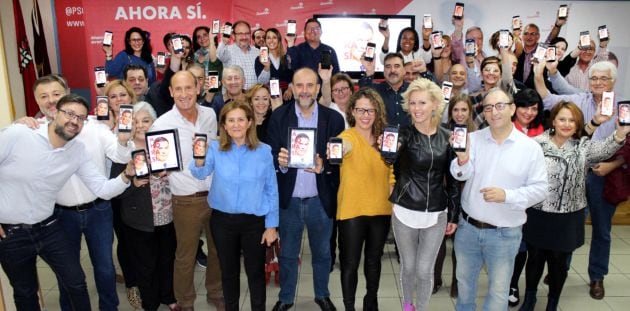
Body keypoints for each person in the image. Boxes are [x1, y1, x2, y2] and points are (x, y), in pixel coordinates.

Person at [0, 94, 133, 310]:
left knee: (76, 281)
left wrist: (126, 175)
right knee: (25, 292)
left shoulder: (76, 151)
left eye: (80, 118)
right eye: (69, 114)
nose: (74, 121)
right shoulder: (20, 134)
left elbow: (102, 188)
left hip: (47, 227)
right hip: (11, 233)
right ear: (54, 113)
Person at [519, 101, 628, 311]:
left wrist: (620, 133)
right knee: (535, 258)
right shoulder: (536, 144)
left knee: (559, 263)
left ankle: (553, 303)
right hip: (539, 213)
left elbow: (606, 149)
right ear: (553, 121)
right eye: (562, 119)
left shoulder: (583, 146)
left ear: (578, 124)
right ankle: (530, 298)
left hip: (568, 216)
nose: (567, 124)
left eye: (571, 120)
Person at [450, 88, 548, 311]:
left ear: (512, 108)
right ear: (483, 113)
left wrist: (508, 196)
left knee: (498, 292)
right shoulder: (472, 139)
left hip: (504, 234)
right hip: (468, 228)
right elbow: (458, 174)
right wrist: (463, 159)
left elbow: (540, 189)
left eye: (500, 106)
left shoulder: (530, 148)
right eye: (488, 107)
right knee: (464, 286)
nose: (494, 112)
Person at [534, 59, 618, 299]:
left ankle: (597, 276)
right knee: (569, 225)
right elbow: (547, 96)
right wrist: (540, 70)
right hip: (575, 174)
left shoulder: (623, 106)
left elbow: (627, 143)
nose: (598, 82)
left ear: (613, 81)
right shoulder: (579, 101)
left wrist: (612, 164)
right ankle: (562, 267)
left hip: (605, 175)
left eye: (604, 78)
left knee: (602, 230)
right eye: (594, 78)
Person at [267, 68, 345, 311]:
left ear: (318, 88)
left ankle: (322, 294)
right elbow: (269, 157)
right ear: (291, 87)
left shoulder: (333, 119)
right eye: (299, 85)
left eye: (310, 85)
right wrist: (279, 164)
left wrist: (324, 167)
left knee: (323, 254)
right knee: (289, 254)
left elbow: (338, 162)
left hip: (319, 200)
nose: (304, 90)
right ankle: (287, 297)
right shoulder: (279, 116)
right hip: (289, 200)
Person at [190, 101, 279, 311]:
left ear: (249, 122)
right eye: (231, 120)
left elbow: (272, 190)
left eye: (241, 119)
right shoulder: (214, 148)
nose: (236, 124)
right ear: (224, 125)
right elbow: (199, 173)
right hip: (222, 221)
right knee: (228, 273)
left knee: (255, 272)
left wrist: (271, 226)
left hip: (254, 222)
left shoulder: (264, 151)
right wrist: (199, 158)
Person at [151, 70, 224, 310]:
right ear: (171, 92)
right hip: (185, 200)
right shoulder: (162, 124)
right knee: (185, 255)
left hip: (215, 196)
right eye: (178, 89)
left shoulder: (210, 115)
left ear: (198, 88)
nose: (184, 94)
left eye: (188, 88)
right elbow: (159, 162)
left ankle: (215, 291)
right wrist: (159, 170)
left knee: (216, 249)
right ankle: (185, 300)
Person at [390, 79, 460, 311]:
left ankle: (421, 308)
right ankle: (408, 306)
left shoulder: (447, 137)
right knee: (408, 267)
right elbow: (392, 162)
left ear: (435, 105)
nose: (417, 108)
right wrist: (388, 151)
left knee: (424, 269)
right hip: (405, 211)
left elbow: (453, 180)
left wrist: (453, 215)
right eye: (412, 103)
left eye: (422, 102)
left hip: (436, 213)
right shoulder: (403, 134)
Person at [110, 102, 180, 311]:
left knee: (166, 259)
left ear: (154, 121)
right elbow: (114, 189)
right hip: (138, 219)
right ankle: (150, 303)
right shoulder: (122, 151)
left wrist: (170, 172)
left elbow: (180, 176)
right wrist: (132, 183)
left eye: (146, 120)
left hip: (167, 214)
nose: (140, 126)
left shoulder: (163, 144)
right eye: (135, 121)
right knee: (145, 265)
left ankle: (168, 296)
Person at [335, 87, 394, 311]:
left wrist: (392, 194)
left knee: (374, 261)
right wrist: (338, 150)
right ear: (352, 111)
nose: (365, 115)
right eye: (361, 110)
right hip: (352, 211)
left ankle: (371, 301)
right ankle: (349, 306)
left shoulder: (385, 139)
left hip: (381, 210)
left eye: (370, 110)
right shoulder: (346, 137)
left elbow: (392, 172)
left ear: (377, 112)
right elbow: (343, 149)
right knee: (350, 264)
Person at [359, 53, 410, 127]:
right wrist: (369, 72)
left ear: (404, 70)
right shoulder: (375, 90)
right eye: (388, 67)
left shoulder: (413, 90)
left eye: (397, 66)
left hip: (410, 137)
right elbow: (362, 94)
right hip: (381, 137)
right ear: (384, 71)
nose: (392, 70)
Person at [217, 20, 261, 89]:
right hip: (234, 98)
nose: (244, 37)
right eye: (240, 34)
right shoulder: (227, 50)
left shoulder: (258, 52)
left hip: (254, 97)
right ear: (233, 36)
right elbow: (220, 55)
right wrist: (223, 41)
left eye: (247, 33)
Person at [255, 28, 292, 95]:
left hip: (286, 98)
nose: (271, 40)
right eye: (268, 38)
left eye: (274, 37)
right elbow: (261, 83)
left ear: (279, 40)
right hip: (269, 98)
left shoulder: (286, 58)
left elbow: (291, 78)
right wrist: (266, 67)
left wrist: (290, 89)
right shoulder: (259, 59)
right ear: (265, 41)